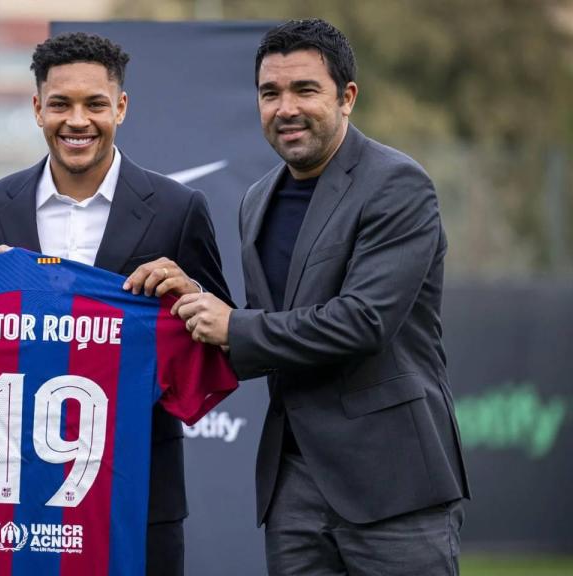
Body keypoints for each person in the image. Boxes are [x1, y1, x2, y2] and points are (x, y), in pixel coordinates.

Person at [167, 19, 469, 575]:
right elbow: (270, 332)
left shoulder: (399, 185)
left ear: (347, 97)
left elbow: (363, 322)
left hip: (394, 486)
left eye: (305, 90)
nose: (286, 108)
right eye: (270, 93)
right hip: (294, 490)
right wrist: (187, 304)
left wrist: (233, 326)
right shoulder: (256, 200)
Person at [0, 32, 230, 576]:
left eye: (95, 104)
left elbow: (224, 341)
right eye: (60, 104)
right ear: (38, 108)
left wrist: (194, 295)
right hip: (21, 491)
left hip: (141, 490)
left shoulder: (178, 209)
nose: (77, 120)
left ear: (122, 108)